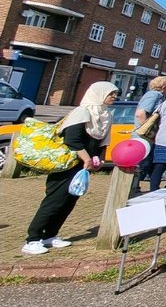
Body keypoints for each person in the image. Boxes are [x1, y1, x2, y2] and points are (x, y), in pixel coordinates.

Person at [22, 81, 118, 255]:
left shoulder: (105, 115)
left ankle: (50, 235)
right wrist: (87, 158)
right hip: (66, 165)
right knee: (55, 201)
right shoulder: (82, 112)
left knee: (69, 202)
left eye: (114, 94)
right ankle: (32, 239)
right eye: (111, 94)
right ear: (99, 93)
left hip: (82, 166)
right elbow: (72, 139)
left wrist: (100, 159)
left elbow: (102, 141)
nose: (114, 97)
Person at [131, 75, 166, 193]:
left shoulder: (154, 95)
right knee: (144, 162)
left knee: (146, 163)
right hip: (144, 137)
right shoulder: (154, 95)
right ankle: (134, 187)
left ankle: (137, 187)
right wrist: (148, 129)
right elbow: (140, 113)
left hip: (145, 136)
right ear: (163, 86)